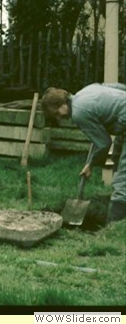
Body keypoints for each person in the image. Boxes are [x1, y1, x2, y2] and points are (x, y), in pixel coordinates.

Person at [41, 82, 126, 224]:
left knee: (122, 178)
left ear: (62, 103)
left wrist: (92, 164)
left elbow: (104, 143)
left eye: (57, 113)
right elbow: (119, 88)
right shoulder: (84, 92)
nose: (59, 117)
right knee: (117, 157)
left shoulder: (79, 113)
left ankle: (113, 226)